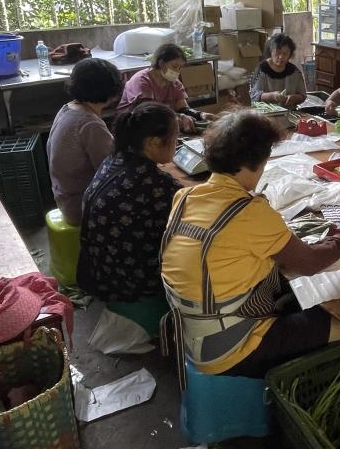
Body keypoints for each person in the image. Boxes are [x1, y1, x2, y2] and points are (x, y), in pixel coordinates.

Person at [160, 111, 340, 379]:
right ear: (257, 161)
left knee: (293, 292)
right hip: (230, 349)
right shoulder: (249, 211)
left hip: (191, 331)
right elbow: (308, 263)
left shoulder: (185, 196)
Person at [77, 102, 181, 335]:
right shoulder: (158, 186)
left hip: (96, 270)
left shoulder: (113, 160)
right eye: (175, 137)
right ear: (153, 142)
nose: (177, 143)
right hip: (128, 283)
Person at [46, 58, 123, 226]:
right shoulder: (90, 124)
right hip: (80, 207)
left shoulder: (68, 108)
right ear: (111, 90)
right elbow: (112, 171)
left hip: (64, 198)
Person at [117, 43, 215, 132]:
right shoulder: (141, 81)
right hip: (131, 128)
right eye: (175, 66)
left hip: (156, 125)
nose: (177, 71)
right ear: (161, 63)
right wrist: (179, 116)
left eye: (180, 67)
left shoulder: (175, 83)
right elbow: (148, 112)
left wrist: (200, 115)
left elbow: (183, 108)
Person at [250, 33, 307, 107]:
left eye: (285, 53)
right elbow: (253, 95)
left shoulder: (294, 72)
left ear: (290, 55)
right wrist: (272, 96)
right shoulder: (262, 69)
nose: (281, 57)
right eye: (278, 52)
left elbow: (303, 95)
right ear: (271, 51)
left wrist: (294, 98)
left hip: (289, 111)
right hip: (267, 112)